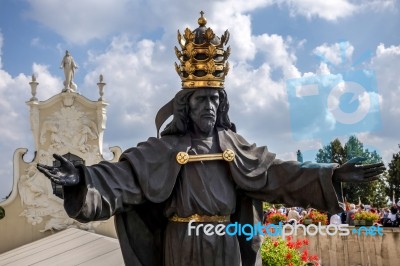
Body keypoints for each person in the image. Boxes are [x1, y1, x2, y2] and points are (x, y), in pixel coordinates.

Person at [37, 12, 385, 266]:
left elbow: (279, 174)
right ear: (186, 106)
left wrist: (330, 173)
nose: (209, 105)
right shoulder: (163, 150)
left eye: (215, 99)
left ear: (222, 105)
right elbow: (120, 178)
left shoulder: (235, 147)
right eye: (201, 99)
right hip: (181, 244)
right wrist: (82, 179)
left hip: (224, 244)